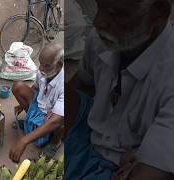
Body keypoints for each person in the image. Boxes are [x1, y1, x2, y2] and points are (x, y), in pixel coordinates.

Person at [66, 0, 174, 179]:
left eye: (116, 13)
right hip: (88, 135)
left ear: (159, 12)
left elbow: (152, 170)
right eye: (99, 6)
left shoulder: (167, 76)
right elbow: (83, 85)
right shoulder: (100, 39)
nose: (98, 21)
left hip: (120, 166)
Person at [9, 43, 64, 163]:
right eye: (40, 63)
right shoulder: (43, 72)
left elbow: (56, 120)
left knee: (61, 122)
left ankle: (55, 142)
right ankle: (31, 124)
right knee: (18, 87)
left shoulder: (63, 85)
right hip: (41, 105)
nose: (41, 68)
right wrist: (22, 105)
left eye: (47, 66)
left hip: (52, 115)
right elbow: (36, 87)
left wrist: (24, 141)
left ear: (59, 65)